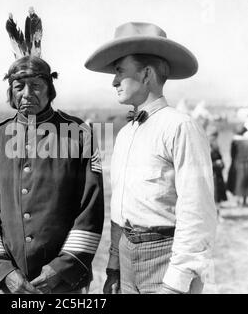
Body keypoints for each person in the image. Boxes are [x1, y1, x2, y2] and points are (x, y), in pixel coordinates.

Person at [85, 22, 217, 294]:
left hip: (165, 260)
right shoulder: (124, 135)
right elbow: (120, 207)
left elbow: (198, 212)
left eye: (120, 71)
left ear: (146, 75)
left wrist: (176, 283)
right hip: (126, 256)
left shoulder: (181, 127)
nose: (113, 81)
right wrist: (113, 267)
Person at [0, 55, 104, 294]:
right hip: (12, 284)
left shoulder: (79, 135)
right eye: (19, 86)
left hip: (65, 284)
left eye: (36, 85)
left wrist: (61, 268)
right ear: (11, 93)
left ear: (49, 90)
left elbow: (91, 210)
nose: (26, 93)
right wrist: (4, 272)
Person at [206, 125, 227, 214]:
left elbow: (220, 157)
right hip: (211, 174)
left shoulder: (215, 146)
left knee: (218, 196)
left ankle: (218, 213)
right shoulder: (206, 146)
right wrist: (215, 164)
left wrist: (221, 164)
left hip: (217, 173)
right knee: (213, 195)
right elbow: (205, 163)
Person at [227, 124, 248, 206]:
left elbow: (232, 155)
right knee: (246, 183)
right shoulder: (246, 141)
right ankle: (244, 201)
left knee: (238, 182)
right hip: (247, 164)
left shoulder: (235, 142)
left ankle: (238, 201)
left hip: (238, 164)